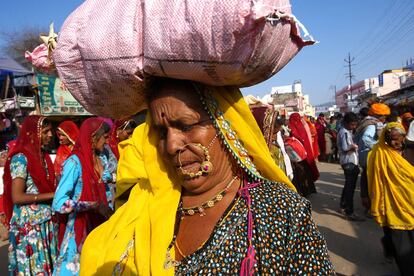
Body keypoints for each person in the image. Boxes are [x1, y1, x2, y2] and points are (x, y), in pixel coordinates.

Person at [80, 79, 333, 275]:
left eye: (186, 126)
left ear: (225, 126)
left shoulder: (280, 211)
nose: (171, 145)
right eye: (161, 131)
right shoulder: (143, 203)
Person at [52, 118, 114, 276]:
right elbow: (58, 203)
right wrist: (91, 205)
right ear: (93, 138)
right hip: (80, 229)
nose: (107, 142)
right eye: (105, 137)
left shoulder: (100, 160)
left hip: (99, 226)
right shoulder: (74, 162)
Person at [3, 115, 58, 275]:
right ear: (33, 134)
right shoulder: (21, 158)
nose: (50, 135)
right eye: (45, 131)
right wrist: (51, 195)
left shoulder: (43, 157)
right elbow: (17, 196)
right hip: (30, 228)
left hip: (45, 224)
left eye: (50, 131)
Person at [367, 122, 414, 275]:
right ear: (385, 139)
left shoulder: (411, 151)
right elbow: (370, 176)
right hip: (391, 204)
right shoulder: (378, 153)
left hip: (411, 201)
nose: (396, 142)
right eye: (392, 139)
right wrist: (365, 196)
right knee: (401, 243)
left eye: (399, 138)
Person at [354, 103, 390, 211]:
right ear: (379, 115)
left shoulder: (368, 122)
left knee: (366, 179)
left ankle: (369, 205)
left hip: (365, 156)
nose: (385, 118)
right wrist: (379, 145)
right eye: (384, 116)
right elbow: (366, 139)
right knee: (371, 182)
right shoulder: (372, 125)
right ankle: (371, 206)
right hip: (369, 156)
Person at [337, 112, 364, 221]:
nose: (354, 126)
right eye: (352, 124)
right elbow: (344, 147)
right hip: (348, 162)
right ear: (347, 123)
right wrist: (353, 147)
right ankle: (349, 211)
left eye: (355, 124)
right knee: (350, 188)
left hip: (349, 161)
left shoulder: (346, 131)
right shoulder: (344, 132)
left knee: (348, 185)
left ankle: (343, 206)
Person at [289, 113, 319, 196]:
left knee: (299, 173)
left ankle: (302, 192)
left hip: (296, 154)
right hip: (304, 153)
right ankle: (307, 191)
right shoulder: (303, 126)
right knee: (305, 172)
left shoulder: (292, 126)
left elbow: (296, 137)